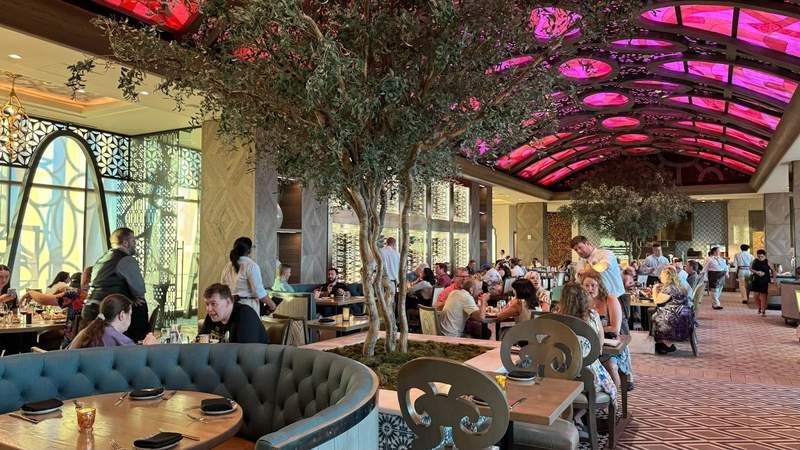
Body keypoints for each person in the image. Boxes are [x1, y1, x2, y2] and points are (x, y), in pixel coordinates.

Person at [558, 281, 617, 433]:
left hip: (561, 373)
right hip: (588, 376)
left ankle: (570, 418)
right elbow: (599, 346)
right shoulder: (593, 315)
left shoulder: (557, 318)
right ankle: (582, 416)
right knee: (610, 384)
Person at [83, 227, 148, 343]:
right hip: (109, 312)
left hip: (89, 310)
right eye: (133, 241)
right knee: (141, 305)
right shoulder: (126, 260)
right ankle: (138, 345)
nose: (135, 244)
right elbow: (140, 291)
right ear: (125, 243)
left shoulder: (102, 259)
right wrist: (133, 298)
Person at [580, 270, 632, 390]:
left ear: (600, 285)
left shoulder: (610, 300)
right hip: (590, 343)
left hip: (612, 344)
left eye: (593, 285)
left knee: (610, 366)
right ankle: (589, 397)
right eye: (586, 286)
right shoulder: (582, 302)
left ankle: (613, 400)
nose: (590, 289)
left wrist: (595, 328)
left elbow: (615, 328)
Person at [70, 294, 157, 349]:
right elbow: (136, 364)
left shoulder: (87, 332)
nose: (131, 318)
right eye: (130, 314)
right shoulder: (119, 340)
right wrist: (148, 349)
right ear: (122, 315)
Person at [221, 237, 276, 315]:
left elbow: (223, 289)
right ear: (249, 250)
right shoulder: (251, 266)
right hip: (247, 306)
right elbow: (258, 292)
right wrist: (272, 305)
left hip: (230, 305)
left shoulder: (228, 266)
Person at [199, 283, 268, 343]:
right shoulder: (212, 315)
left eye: (213, 304)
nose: (209, 309)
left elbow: (244, 353)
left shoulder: (245, 316)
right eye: (207, 304)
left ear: (228, 302)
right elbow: (200, 342)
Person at [651, 267, 694, 354]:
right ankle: (663, 343)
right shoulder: (678, 286)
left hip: (674, 316)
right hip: (683, 314)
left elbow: (657, 301)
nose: (660, 277)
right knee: (654, 312)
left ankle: (665, 344)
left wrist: (654, 289)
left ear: (667, 276)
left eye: (662, 275)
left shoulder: (669, 288)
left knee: (655, 314)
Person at [571, 236, 625, 300]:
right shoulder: (581, 262)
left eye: (580, 247)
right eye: (576, 250)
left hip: (616, 297)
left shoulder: (605, 253)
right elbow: (579, 280)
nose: (579, 251)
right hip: (596, 300)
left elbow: (603, 265)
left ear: (588, 243)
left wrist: (586, 271)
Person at [750, 249, 773, 316]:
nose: (760, 258)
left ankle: (763, 311)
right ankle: (759, 307)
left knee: (763, 296)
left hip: (765, 280)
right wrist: (756, 272)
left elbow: (773, 270)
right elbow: (750, 268)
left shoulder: (767, 261)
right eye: (758, 256)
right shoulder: (755, 261)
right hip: (756, 280)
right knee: (756, 296)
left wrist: (773, 279)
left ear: (764, 256)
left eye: (761, 256)